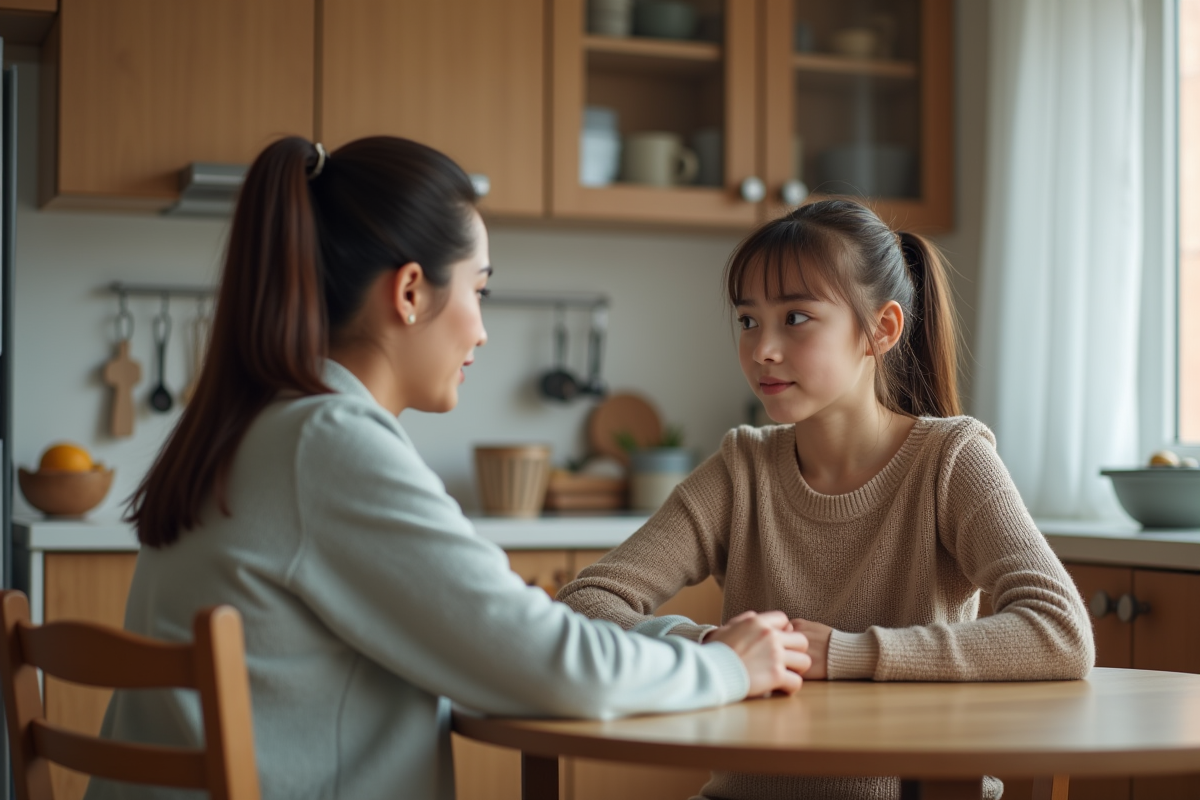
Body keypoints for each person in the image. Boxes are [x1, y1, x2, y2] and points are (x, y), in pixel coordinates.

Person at [84, 136, 813, 800]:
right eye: (479, 290)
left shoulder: (254, 424)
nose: (483, 330)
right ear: (409, 293)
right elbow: (542, 666)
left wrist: (687, 641)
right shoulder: (327, 442)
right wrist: (728, 669)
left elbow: (505, 636)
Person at [557, 198, 1095, 800]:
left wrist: (846, 654)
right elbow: (583, 603)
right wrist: (713, 649)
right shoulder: (742, 468)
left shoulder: (951, 460)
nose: (762, 349)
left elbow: (1060, 631)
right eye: (748, 320)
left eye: (796, 318)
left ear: (881, 330)